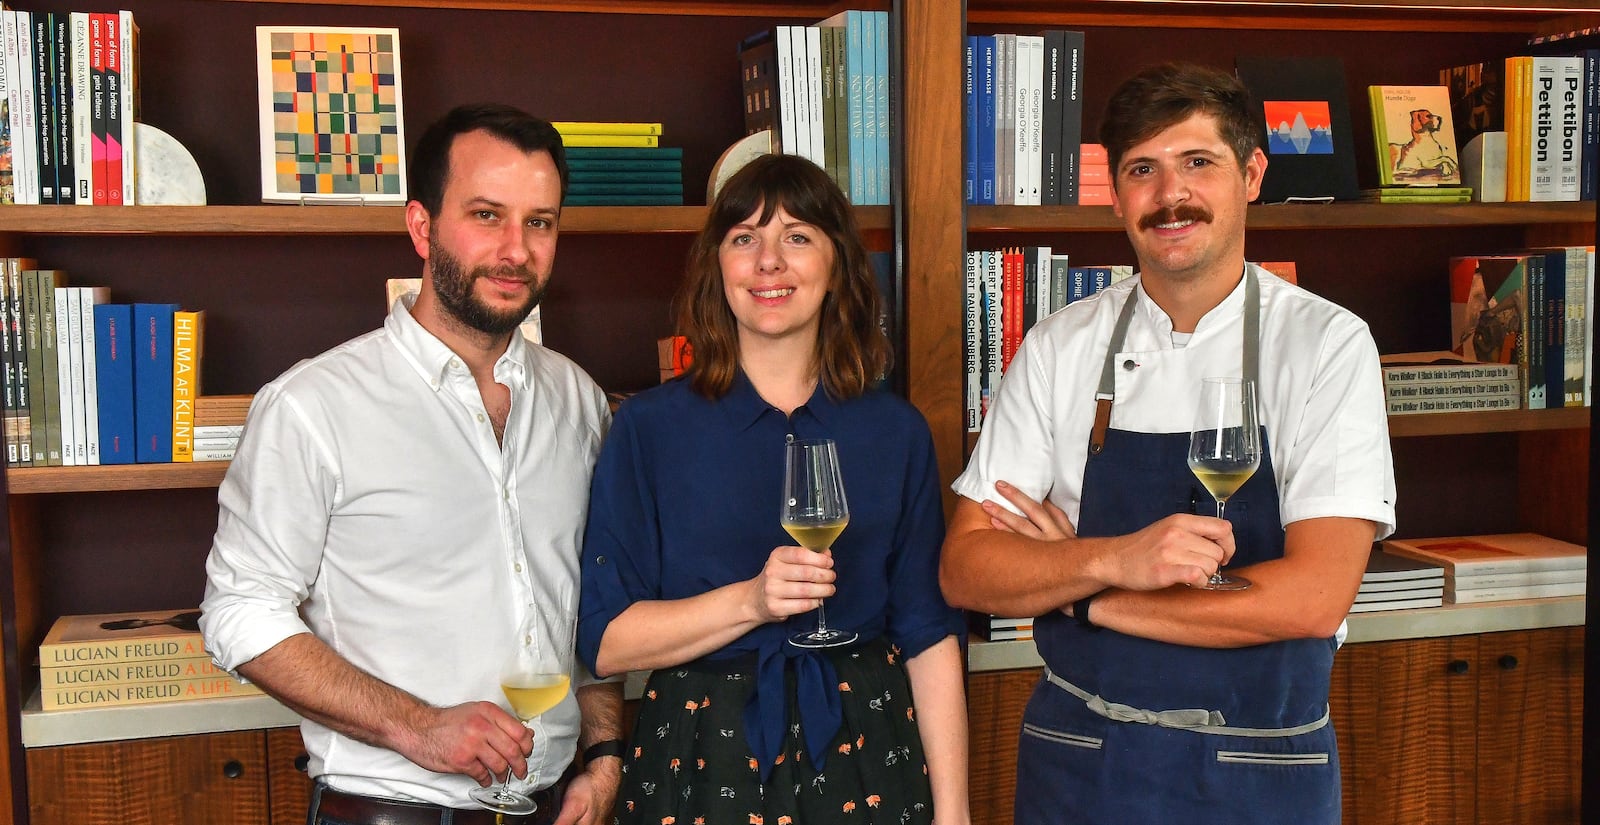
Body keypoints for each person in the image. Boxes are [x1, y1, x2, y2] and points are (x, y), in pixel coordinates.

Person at [940, 63, 1397, 823]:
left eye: (1197, 163)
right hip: (1078, 761)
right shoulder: (1059, 347)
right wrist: (1114, 557)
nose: (1169, 195)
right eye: (1141, 170)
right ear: (1116, 194)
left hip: (1261, 767)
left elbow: (1315, 598)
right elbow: (966, 568)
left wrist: (1084, 597)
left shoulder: (1327, 344)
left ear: (1251, 174)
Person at [200, 103, 622, 825]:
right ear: (422, 227)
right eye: (487, 215)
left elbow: (588, 603)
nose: (516, 250)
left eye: (540, 222)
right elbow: (239, 612)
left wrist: (603, 754)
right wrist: (416, 725)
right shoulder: (313, 405)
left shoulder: (577, 399)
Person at [577, 153, 969, 825]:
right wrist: (752, 602)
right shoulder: (649, 428)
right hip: (700, 754)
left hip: (869, 744)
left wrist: (955, 813)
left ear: (837, 264)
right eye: (744, 238)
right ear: (717, 266)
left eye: (796, 236)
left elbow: (929, 634)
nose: (768, 261)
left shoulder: (894, 430)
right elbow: (607, 640)